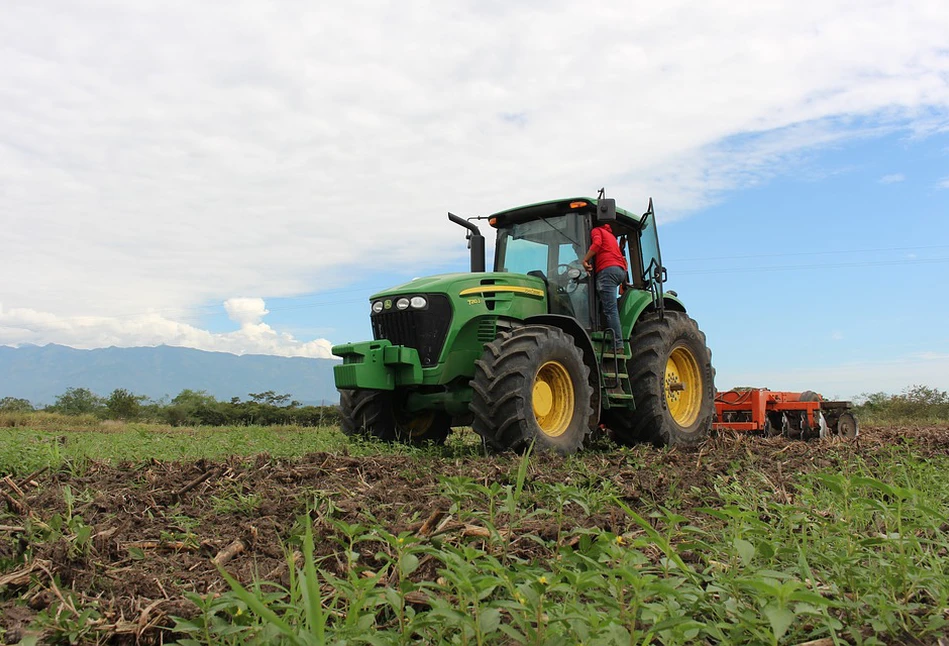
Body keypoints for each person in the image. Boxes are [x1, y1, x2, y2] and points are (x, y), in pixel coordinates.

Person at [582, 223, 628, 353]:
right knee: (596, 296)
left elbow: (596, 244)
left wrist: (585, 260)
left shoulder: (597, 230)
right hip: (619, 270)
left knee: (610, 309)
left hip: (607, 270)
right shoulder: (611, 236)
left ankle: (618, 345)